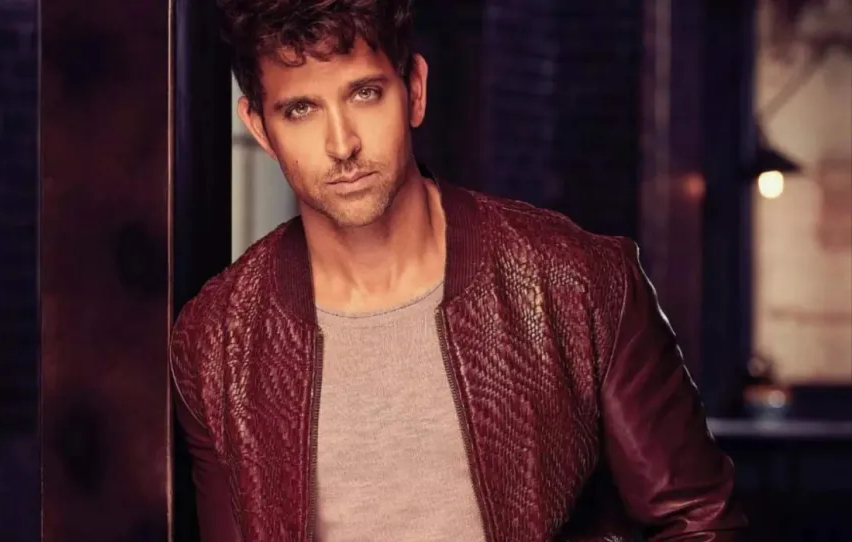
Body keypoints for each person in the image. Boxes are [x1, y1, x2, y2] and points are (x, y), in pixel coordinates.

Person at [170, 0, 748, 540]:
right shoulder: (216, 341)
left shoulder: (581, 283)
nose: (341, 145)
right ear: (260, 128)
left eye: (365, 94)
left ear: (415, 91)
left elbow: (700, 524)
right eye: (300, 109)